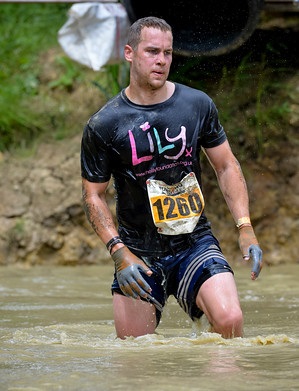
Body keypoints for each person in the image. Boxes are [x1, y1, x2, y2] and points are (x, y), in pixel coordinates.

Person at [80, 16, 263, 340]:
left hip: (194, 241)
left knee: (231, 320)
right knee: (134, 356)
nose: (162, 60)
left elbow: (226, 166)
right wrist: (118, 251)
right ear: (129, 53)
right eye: (152, 51)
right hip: (137, 251)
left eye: (167, 53)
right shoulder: (105, 124)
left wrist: (245, 227)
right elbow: (94, 195)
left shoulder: (196, 105)